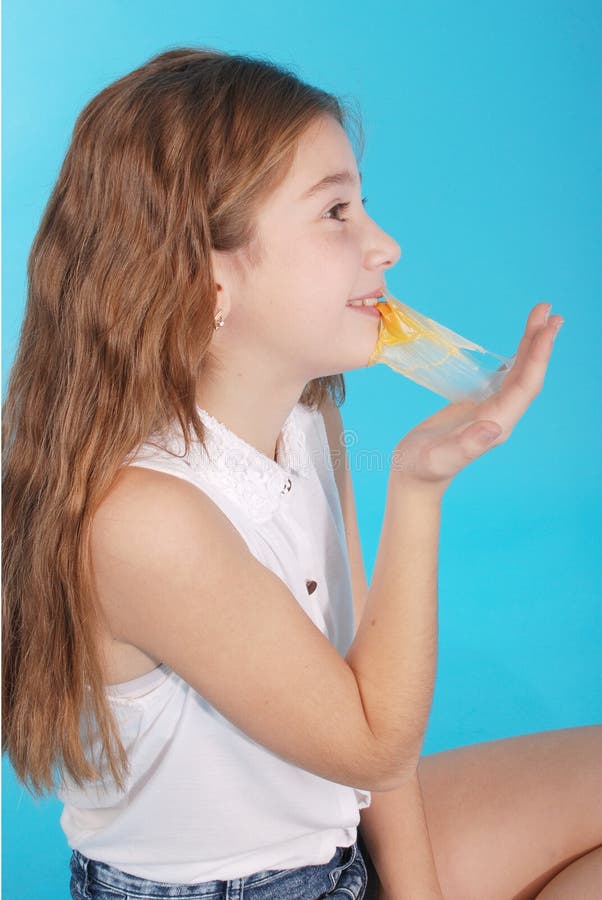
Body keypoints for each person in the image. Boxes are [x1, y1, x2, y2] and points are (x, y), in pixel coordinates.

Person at [3, 47, 601, 900]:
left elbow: (367, 681)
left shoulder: (307, 418)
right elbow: (376, 743)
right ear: (206, 278)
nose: (385, 245)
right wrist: (419, 486)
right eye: (335, 212)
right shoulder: (144, 520)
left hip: (338, 850)